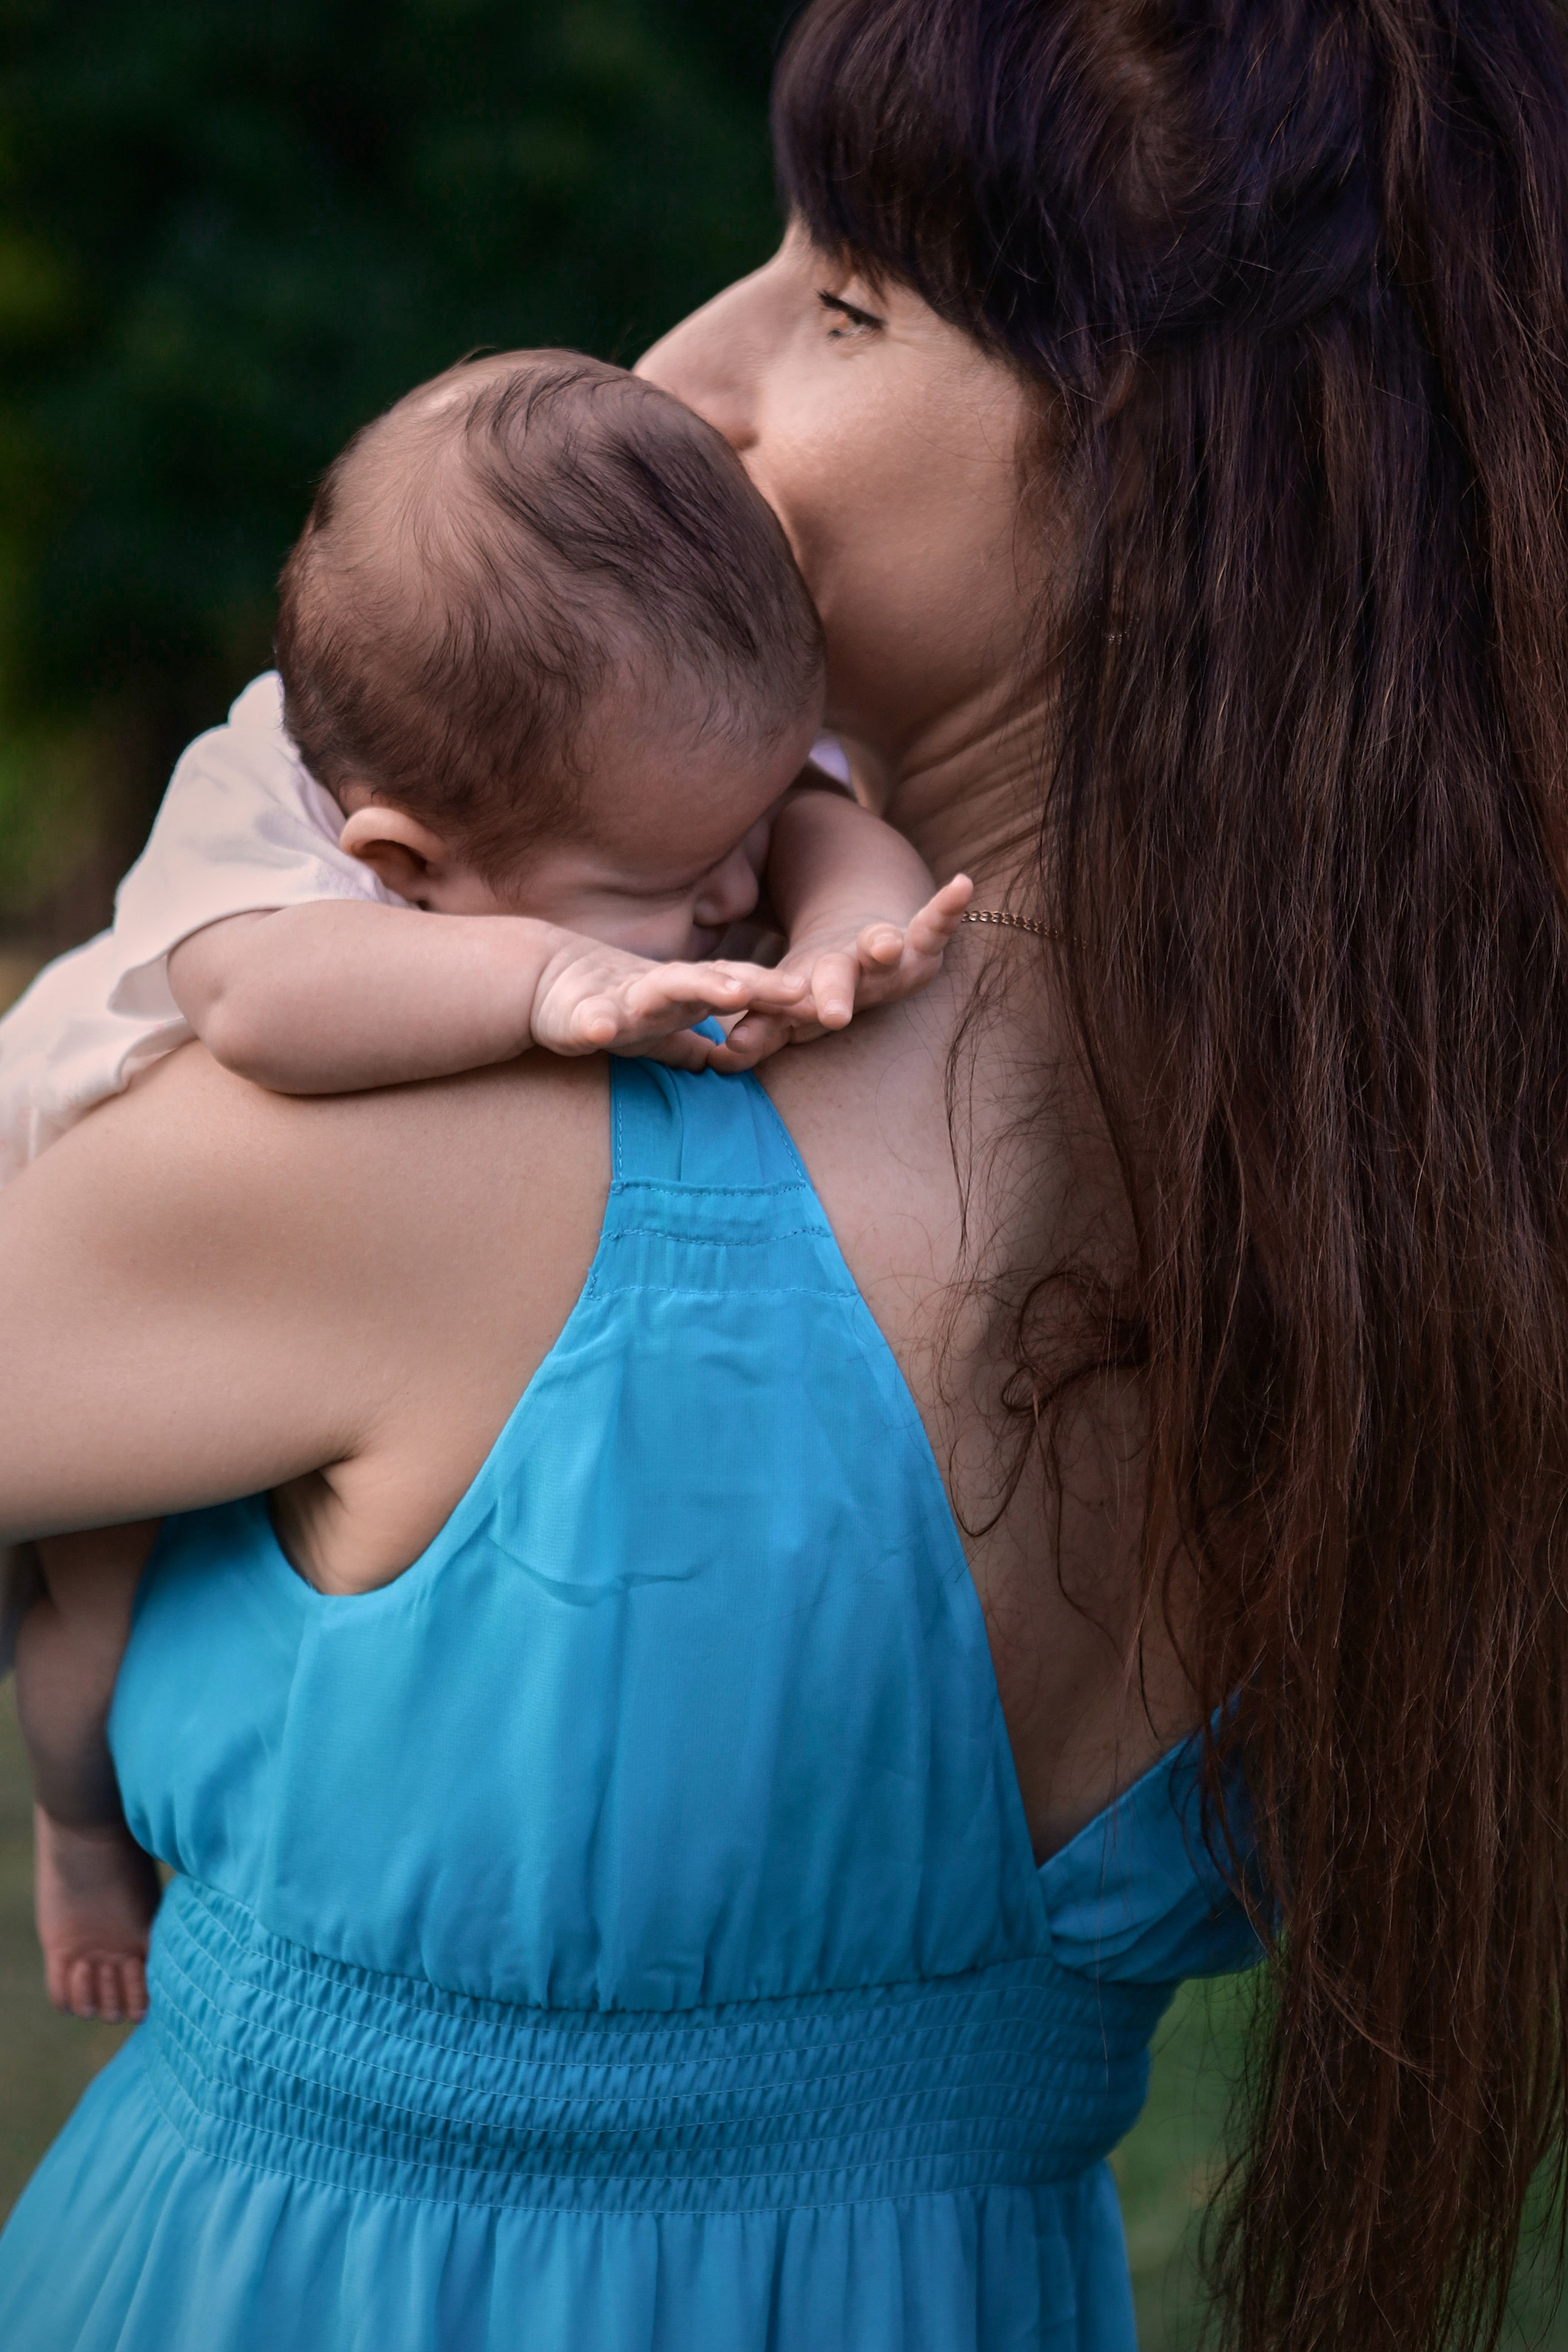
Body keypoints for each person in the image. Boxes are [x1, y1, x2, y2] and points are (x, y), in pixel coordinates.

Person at [2, 0, 1567, 2346]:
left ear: (1188, 466)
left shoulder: (475, 1140)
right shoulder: (1420, 1218)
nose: (684, 368)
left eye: (843, 300)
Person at [0, 344, 962, 2030]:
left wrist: (839, 942)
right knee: (101, 1610)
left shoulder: (650, 751)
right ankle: (76, 1824)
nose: (738, 879)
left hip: (302, 1299)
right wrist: (546, 984)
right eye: (673, 881)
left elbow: (822, 833)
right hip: (91, 1231)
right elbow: (267, 1012)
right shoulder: (263, 834)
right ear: (402, 866)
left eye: (748, 828)